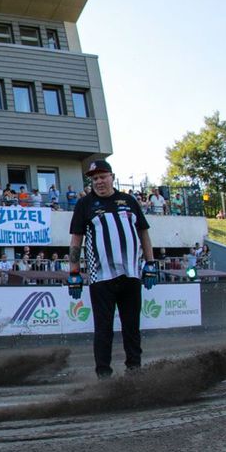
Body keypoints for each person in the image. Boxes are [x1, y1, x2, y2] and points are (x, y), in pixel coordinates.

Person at [68, 160, 158, 379]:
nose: (98, 182)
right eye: (94, 178)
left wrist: (151, 263)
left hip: (131, 274)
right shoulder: (85, 204)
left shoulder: (129, 200)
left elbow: (143, 232)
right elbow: (75, 241)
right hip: (101, 277)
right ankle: (104, 376)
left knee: (132, 327)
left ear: (112, 176)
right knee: (103, 328)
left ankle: (134, 371)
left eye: (102, 177)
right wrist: (74, 272)